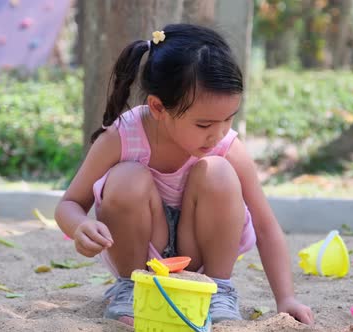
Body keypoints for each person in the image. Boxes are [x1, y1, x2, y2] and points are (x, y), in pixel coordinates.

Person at [55, 23, 314, 327]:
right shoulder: (123, 135)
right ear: (158, 107)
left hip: (199, 251)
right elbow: (69, 204)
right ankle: (133, 287)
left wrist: (286, 298)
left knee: (218, 171)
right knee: (127, 177)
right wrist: (80, 226)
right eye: (204, 125)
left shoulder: (226, 146)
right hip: (142, 250)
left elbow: (265, 225)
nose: (218, 134)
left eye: (229, 119)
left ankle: (218, 289)